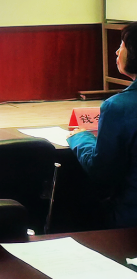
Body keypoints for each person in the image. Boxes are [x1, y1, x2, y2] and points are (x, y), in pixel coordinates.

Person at [68, 22, 137, 229]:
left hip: (128, 221)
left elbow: (101, 173)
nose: (117, 51)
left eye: (122, 45)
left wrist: (80, 137)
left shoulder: (119, 107)